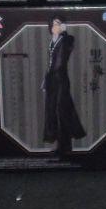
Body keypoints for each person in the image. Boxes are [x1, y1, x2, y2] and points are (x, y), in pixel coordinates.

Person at [41, 17, 85, 157]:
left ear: (63, 26)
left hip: (61, 80)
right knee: (53, 111)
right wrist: (46, 79)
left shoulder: (67, 39)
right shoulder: (53, 41)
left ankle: (65, 147)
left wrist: (64, 32)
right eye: (53, 24)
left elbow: (61, 60)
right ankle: (61, 145)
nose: (55, 26)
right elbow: (51, 63)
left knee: (62, 112)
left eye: (58, 24)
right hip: (52, 80)